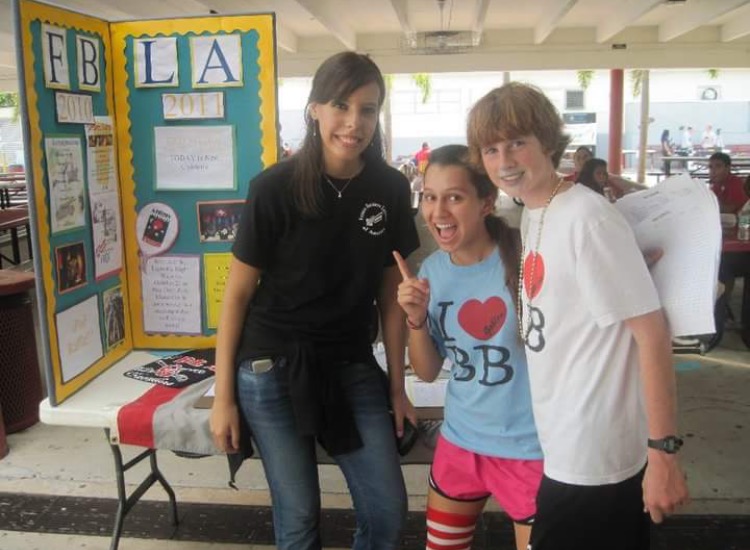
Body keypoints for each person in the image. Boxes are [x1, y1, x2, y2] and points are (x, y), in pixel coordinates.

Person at [209, 51, 419, 550]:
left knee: (388, 510)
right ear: (314, 109)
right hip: (268, 367)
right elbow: (237, 296)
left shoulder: (389, 188)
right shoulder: (274, 188)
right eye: (340, 106)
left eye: (368, 109)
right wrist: (223, 398)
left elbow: (391, 299)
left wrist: (397, 387)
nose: (353, 122)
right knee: (299, 514)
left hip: (350, 364)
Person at [467, 82, 689, 550]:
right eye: (491, 149)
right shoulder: (535, 212)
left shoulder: (585, 217)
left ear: (547, 142)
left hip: (595, 457)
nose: (505, 160)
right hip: (564, 447)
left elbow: (652, 335)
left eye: (517, 143)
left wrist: (663, 453)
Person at [394, 145, 543, 550]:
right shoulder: (432, 272)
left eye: (454, 197)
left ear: (486, 203)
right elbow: (426, 371)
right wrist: (416, 318)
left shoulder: (529, 259)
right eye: (429, 196)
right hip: (460, 443)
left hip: (530, 449)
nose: (438, 212)